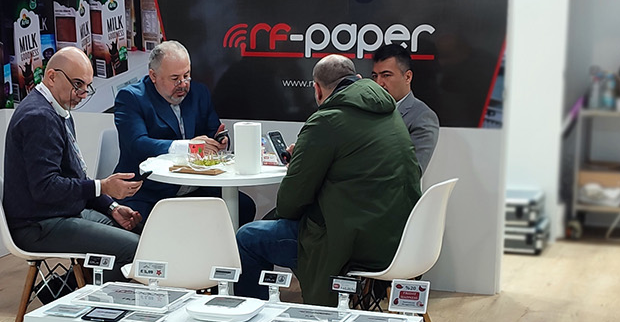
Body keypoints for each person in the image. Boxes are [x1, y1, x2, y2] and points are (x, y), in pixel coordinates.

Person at [234, 56, 421, 304]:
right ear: (358, 79)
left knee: (248, 237)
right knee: (271, 223)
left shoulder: (326, 120)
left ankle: (253, 319)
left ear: (317, 89)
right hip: (400, 236)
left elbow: (290, 203)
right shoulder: (389, 112)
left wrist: (301, 164)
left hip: (353, 243)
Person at [2, 47, 144, 266]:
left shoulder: (56, 109)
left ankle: (71, 285)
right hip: (38, 225)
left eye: (87, 86)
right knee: (133, 249)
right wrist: (103, 187)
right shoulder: (39, 117)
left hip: (57, 214)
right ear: (52, 77)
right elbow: (46, 187)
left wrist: (111, 207)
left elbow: (75, 177)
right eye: (78, 84)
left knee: (137, 233)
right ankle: (85, 289)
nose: (84, 94)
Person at [112, 40, 255, 225]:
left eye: (186, 75)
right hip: (148, 192)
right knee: (158, 226)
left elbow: (213, 131)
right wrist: (189, 147)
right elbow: (138, 144)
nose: (183, 84)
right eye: (175, 78)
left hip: (195, 188)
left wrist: (220, 142)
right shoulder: (132, 98)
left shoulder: (199, 93)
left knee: (243, 207)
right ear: (153, 76)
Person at [370, 44, 439, 173]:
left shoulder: (422, 117)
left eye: (386, 75)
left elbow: (411, 172)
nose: (378, 83)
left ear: (407, 77)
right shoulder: (367, 109)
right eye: (375, 76)